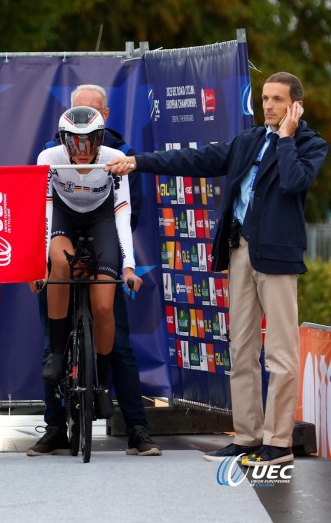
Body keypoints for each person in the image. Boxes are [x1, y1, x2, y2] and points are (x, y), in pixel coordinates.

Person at [106, 71, 327, 466]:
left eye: (277, 100)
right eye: (264, 99)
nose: (269, 106)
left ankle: (277, 445)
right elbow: (196, 159)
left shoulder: (310, 144)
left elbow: (295, 183)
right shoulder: (249, 140)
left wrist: (287, 138)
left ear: (296, 105)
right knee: (241, 350)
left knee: (280, 355)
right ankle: (246, 439)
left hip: (276, 258)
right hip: (239, 251)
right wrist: (138, 162)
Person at [26, 85, 161, 457]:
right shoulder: (49, 156)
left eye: (91, 140)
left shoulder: (119, 156)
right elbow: (45, 212)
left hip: (102, 224)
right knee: (56, 280)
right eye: (76, 140)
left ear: (104, 122)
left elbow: (123, 217)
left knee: (110, 323)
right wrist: (39, 262)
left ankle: (126, 417)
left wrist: (129, 265)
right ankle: (55, 425)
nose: (83, 149)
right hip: (65, 223)